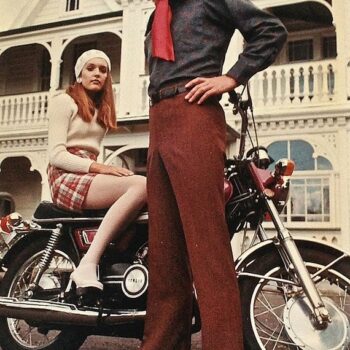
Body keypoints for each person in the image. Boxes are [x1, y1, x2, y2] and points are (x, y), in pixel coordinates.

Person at [141, 1, 287, 349]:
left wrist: (231, 77)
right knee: (164, 250)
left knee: (207, 245)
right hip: (158, 118)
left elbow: (271, 31)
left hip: (194, 113)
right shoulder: (155, 15)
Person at [47, 49, 147, 294]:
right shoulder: (64, 101)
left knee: (149, 195)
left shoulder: (101, 111)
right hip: (64, 175)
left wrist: (102, 170)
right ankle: (88, 263)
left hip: (87, 172)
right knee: (141, 185)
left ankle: (116, 262)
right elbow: (56, 155)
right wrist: (99, 168)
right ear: (79, 74)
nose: (97, 73)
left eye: (103, 70)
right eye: (91, 68)